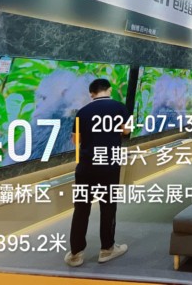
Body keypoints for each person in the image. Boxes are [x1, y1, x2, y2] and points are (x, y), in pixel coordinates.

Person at [65, 78, 130, 267]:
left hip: (85, 166)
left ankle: (76, 254)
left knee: (81, 208)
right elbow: (126, 131)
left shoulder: (82, 112)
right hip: (109, 164)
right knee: (108, 206)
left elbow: (75, 140)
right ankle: (107, 249)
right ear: (109, 90)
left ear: (91, 94)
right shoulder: (120, 107)